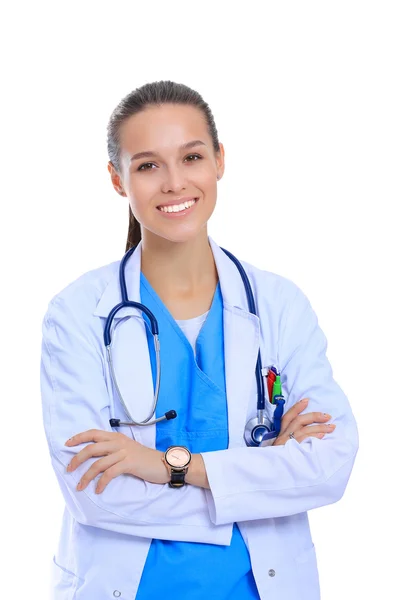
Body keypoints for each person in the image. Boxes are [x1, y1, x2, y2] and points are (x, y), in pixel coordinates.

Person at [40, 80, 359, 600]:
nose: (173, 183)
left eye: (191, 157)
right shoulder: (77, 314)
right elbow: (93, 494)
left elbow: (329, 467)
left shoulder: (278, 304)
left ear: (219, 161)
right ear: (117, 180)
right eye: (147, 165)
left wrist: (167, 466)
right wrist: (260, 480)